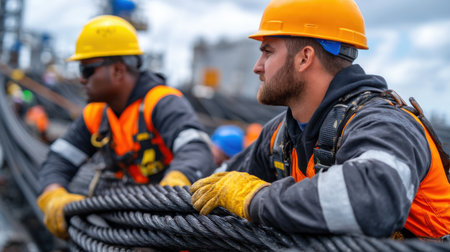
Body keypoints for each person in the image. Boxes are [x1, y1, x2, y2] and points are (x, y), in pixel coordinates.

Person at [191, 0, 450, 239]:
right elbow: (216, 186)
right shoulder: (280, 136)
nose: (257, 66)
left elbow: (371, 203)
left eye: (268, 52)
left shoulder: (385, 125)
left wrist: (256, 197)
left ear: (304, 58)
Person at [37, 15, 215, 239]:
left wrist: (174, 187)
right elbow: (60, 158)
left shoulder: (161, 103)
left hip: (164, 229)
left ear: (118, 71)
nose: (81, 79)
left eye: (86, 70)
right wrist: (53, 194)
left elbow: (196, 148)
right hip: (118, 227)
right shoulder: (97, 113)